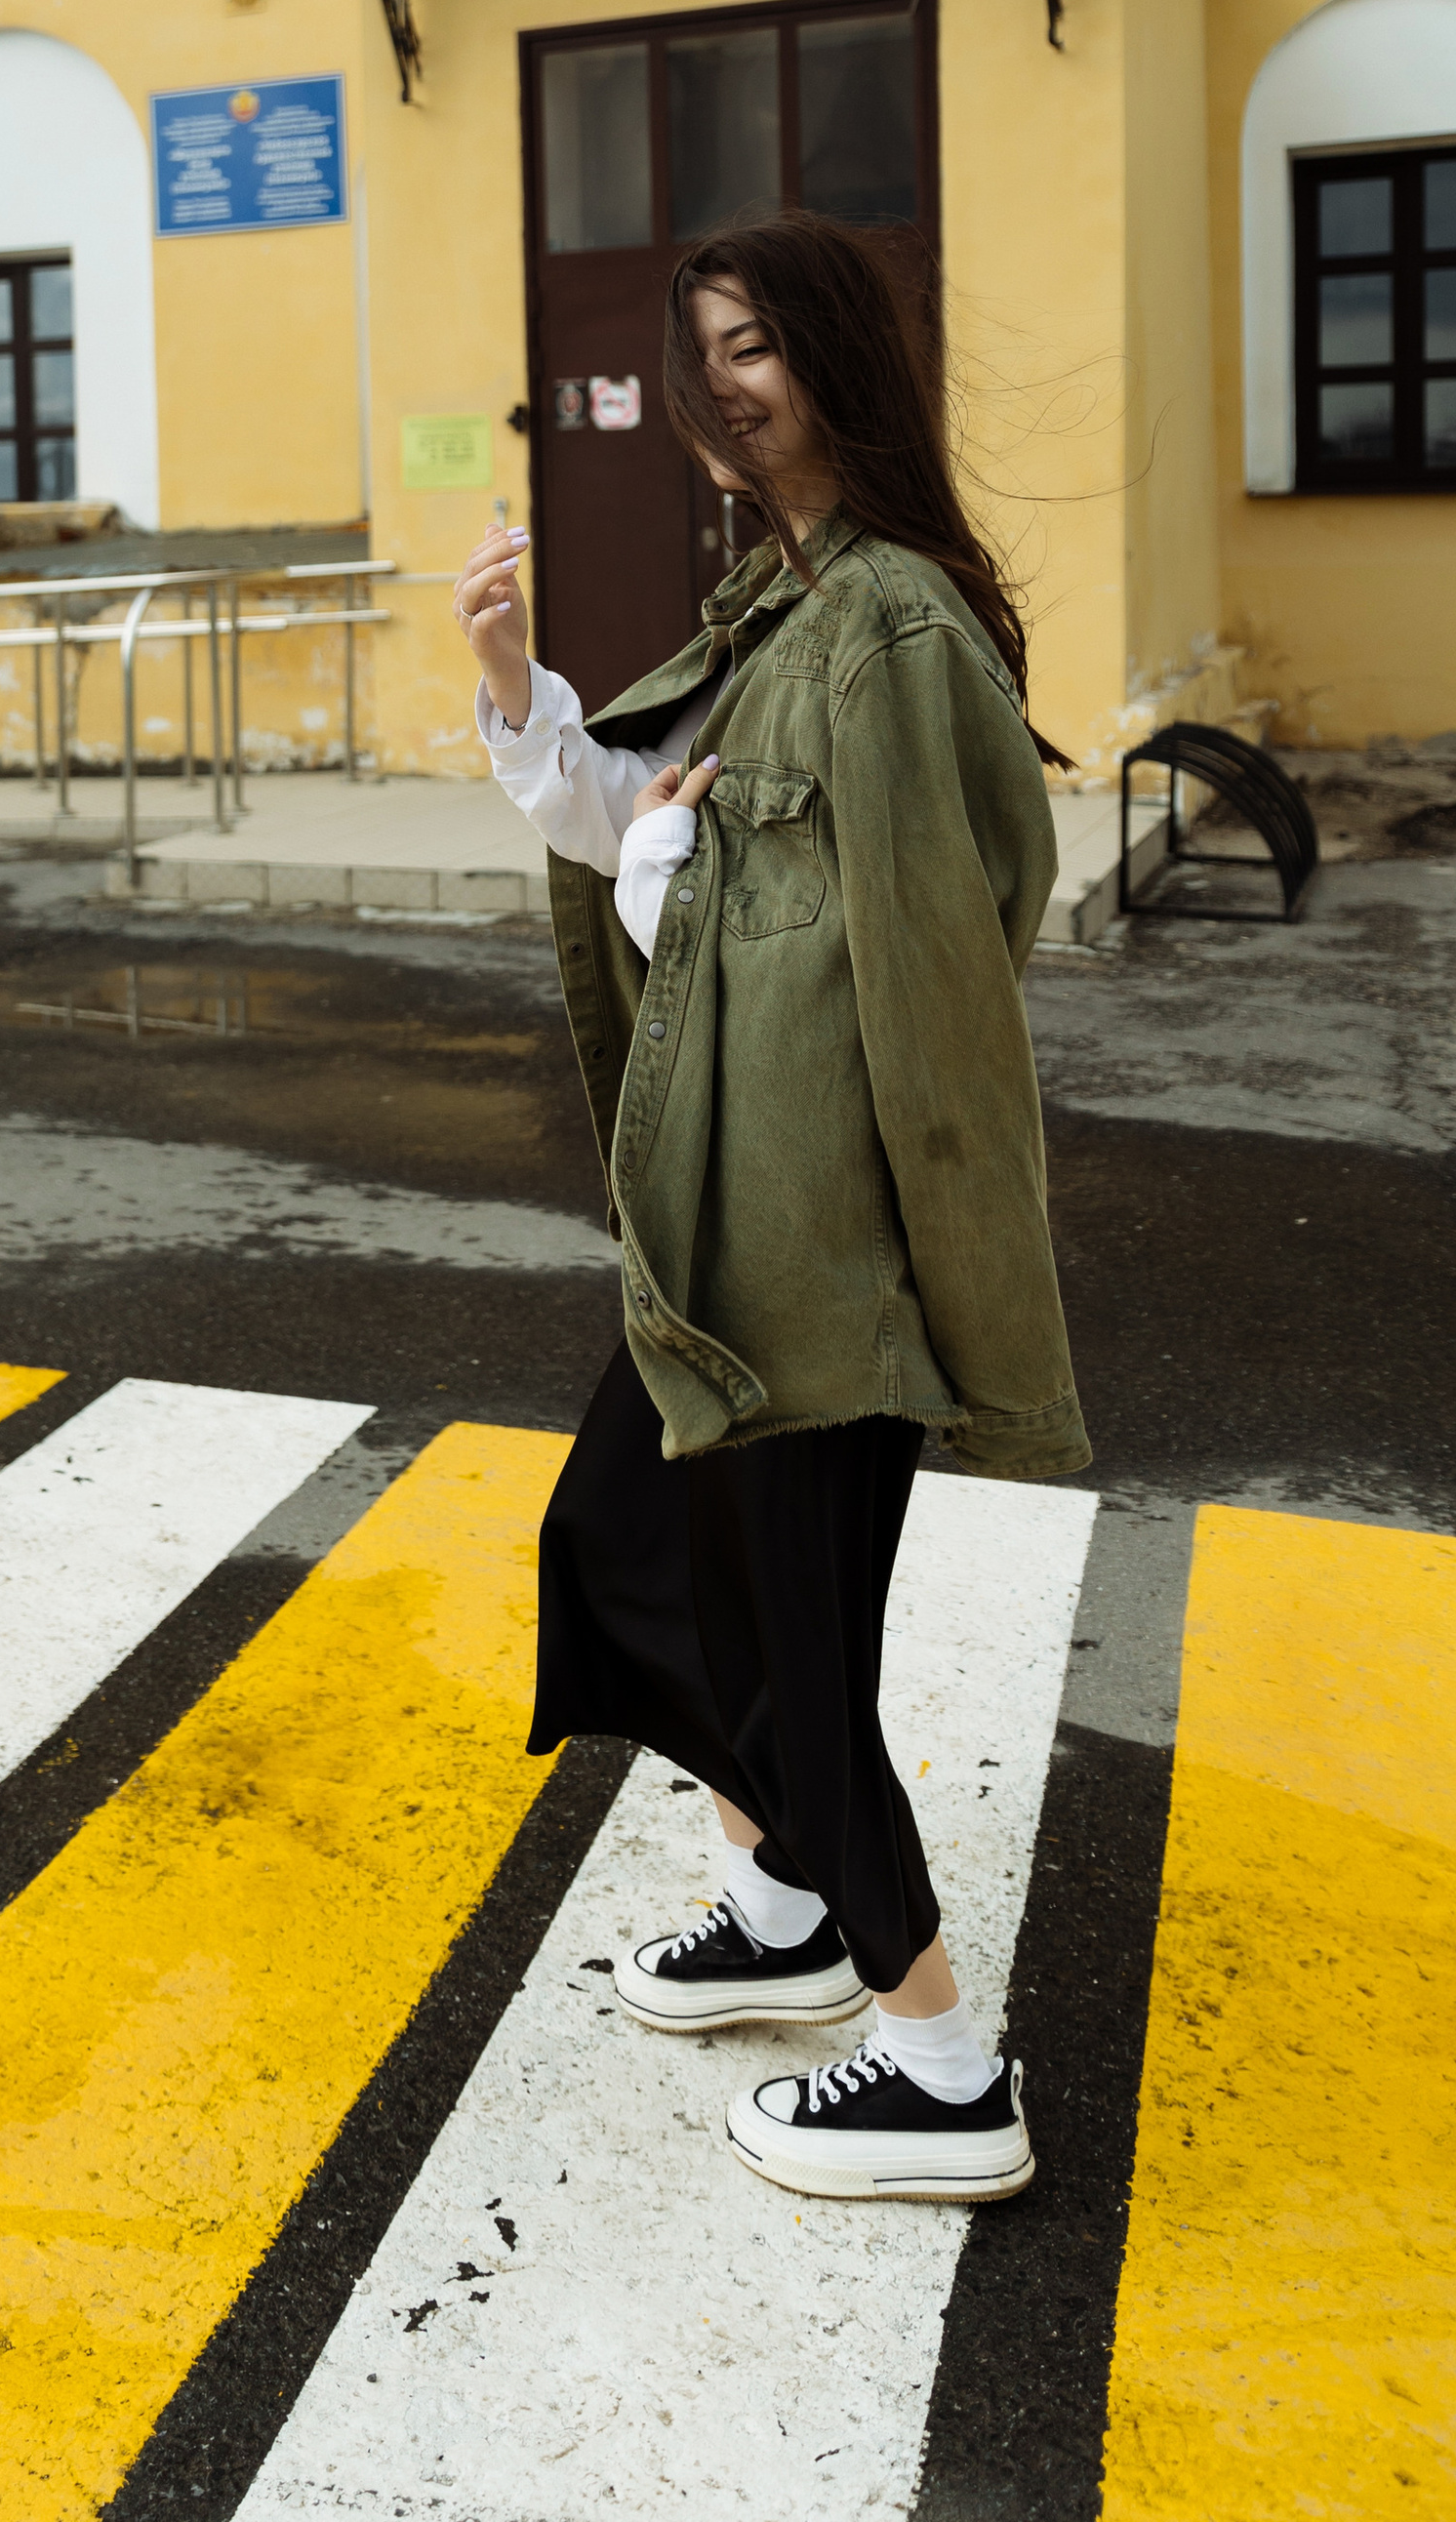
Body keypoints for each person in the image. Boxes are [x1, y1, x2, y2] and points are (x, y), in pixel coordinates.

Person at [455, 211, 1087, 2205]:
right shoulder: (783, 599)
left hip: (811, 1239)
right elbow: (626, 806)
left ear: (834, 362)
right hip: (720, 1224)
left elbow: (920, 956)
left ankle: (937, 2066)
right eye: (696, 352)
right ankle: (785, 1905)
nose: (719, 385)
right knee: (638, 1555)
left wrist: (669, 875)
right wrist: (509, 685)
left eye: (756, 347)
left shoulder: (885, 625)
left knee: (789, 1650)